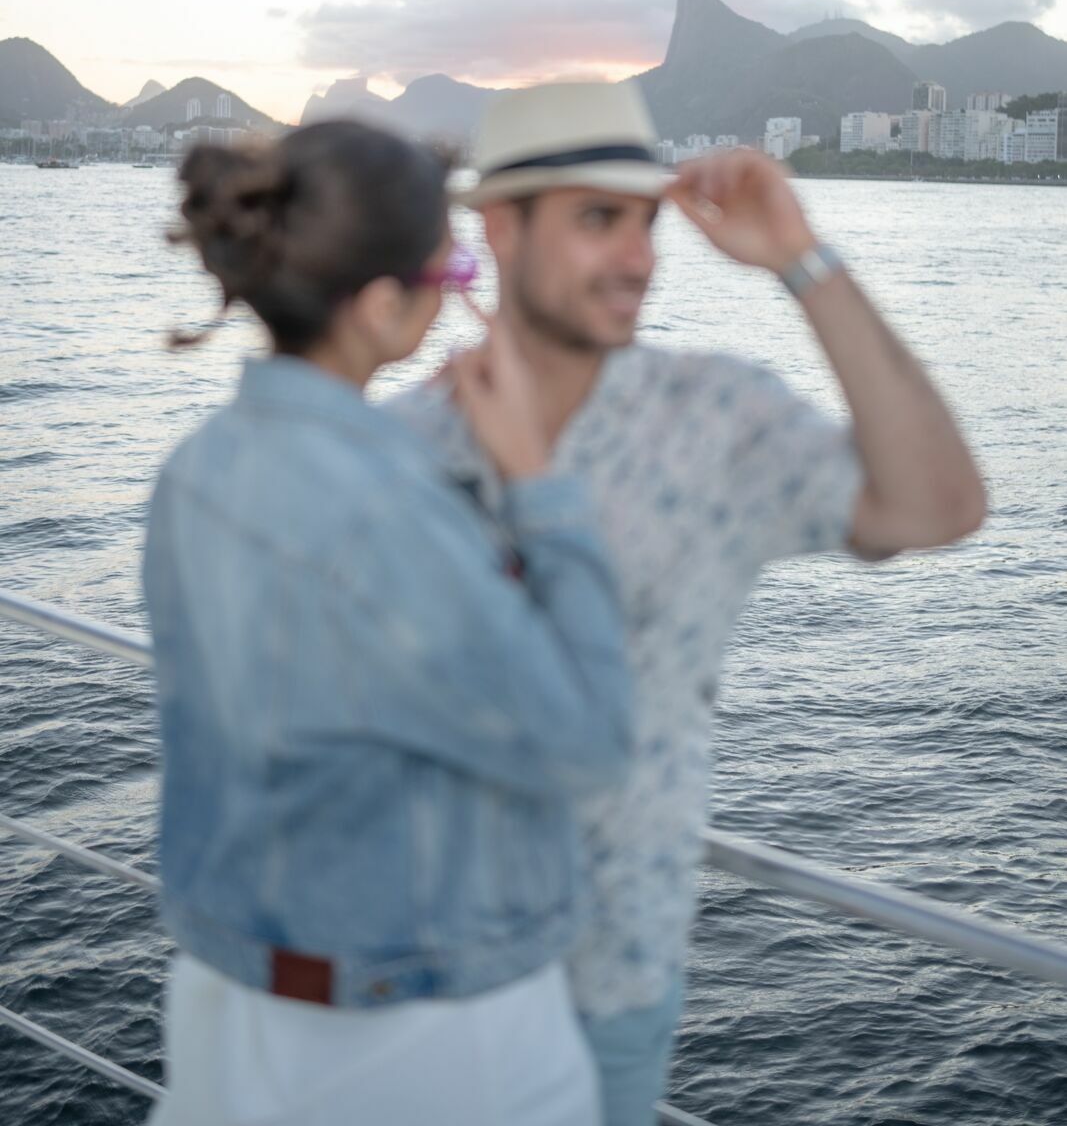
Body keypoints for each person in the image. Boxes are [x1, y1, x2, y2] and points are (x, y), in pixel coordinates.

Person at [395, 80, 987, 1126]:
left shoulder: (712, 416)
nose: (636, 257)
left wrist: (802, 259)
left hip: (607, 990)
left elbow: (935, 506)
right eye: (595, 218)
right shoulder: (407, 442)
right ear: (497, 225)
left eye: (644, 219)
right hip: (411, 978)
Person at [142, 119, 634, 1126]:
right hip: (422, 1036)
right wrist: (536, 478)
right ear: (376, 306)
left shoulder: (194, 469)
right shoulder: (388, 510)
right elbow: (586, 739)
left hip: (227, 998)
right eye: (451, 267)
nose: (461, 292)